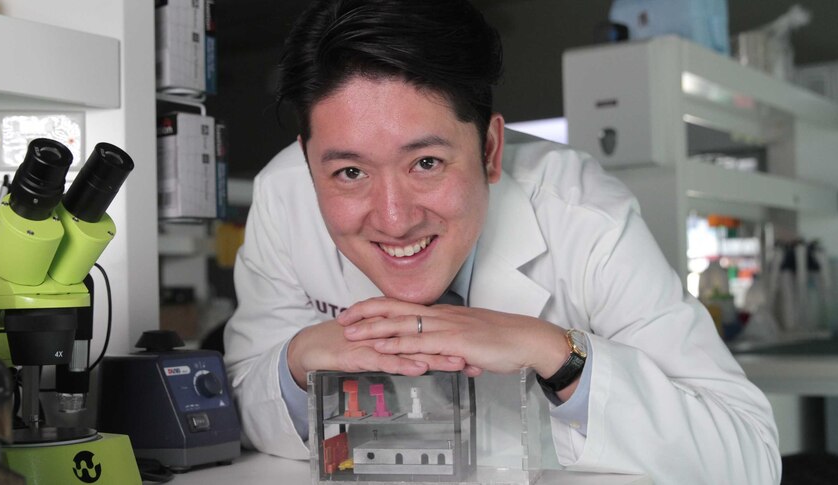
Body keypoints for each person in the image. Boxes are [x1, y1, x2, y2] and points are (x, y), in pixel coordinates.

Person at [223, 0, 780, 483]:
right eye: (349, 173)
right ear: (307, 161)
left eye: (426, 162)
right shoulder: (284, 199)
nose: (393, 220)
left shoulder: (584, 218)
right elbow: (240, 406)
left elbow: (749, 457)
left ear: (490, 149)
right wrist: (297, 366)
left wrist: (554, 355)